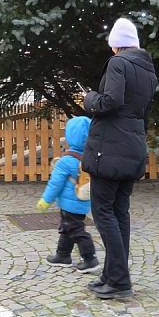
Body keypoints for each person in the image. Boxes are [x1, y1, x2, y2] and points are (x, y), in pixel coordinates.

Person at [82, 17, 157, 299]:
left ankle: (119, 281)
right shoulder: (147, 70)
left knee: (103, 213)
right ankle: (112, 275)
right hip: (132, 145)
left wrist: (89, 98)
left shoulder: (118, 63)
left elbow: (109, 101)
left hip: (110, 147)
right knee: (119, 213)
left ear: (116, 45)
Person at [37, 116, 99, 273]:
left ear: (70, 136)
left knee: (76, 230)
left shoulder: (65, 161)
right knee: (67, 228)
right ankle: (62, 255)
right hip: (82, 201)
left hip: (69, 204)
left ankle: (90, 258)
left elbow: (55, 184)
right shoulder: (89, 158)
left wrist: (46, 201)